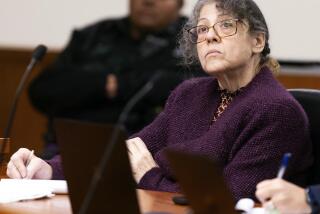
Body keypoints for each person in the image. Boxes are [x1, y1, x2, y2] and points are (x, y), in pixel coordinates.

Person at [7, 0, 313, 201]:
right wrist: (48, 169)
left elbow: (229, 201)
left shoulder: (275, 111)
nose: (210, 36)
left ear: (258, 41)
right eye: (202, 29)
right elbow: (128, 153)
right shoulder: (189, 94)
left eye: (226, 25)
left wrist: (151, 176)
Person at [28, 0, 203, 159]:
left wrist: (116, 86)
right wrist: (103, 84)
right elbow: (42, 91)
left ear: (180, 3)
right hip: (71, 151)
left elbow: (193, 92)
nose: (148, 2)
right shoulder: (94, 35)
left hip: (150, 157)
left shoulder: (197, 40)